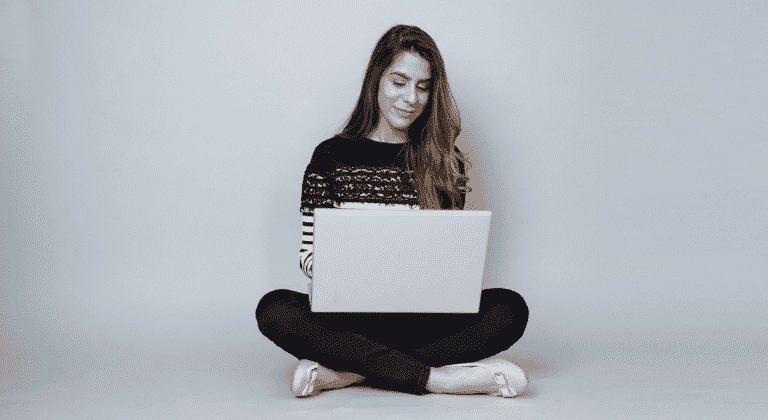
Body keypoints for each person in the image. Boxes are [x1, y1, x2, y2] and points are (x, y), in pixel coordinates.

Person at [256, 25, 529, 398]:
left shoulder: (446, 163)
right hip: (348, 319)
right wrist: (348, 269)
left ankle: (349, 372)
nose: (410, 98)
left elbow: (451, 264)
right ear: (376, 81)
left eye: (423, 86)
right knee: (273, 309)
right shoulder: (329, 157)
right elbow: (308, 255)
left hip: (421, 321)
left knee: (510, 309)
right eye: (399, 82)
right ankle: (435, 378)